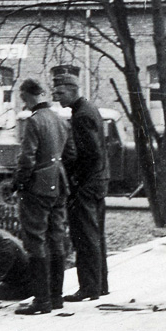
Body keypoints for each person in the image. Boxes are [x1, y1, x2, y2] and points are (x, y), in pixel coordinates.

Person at [12, 78, 73, 315]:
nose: (23, 103)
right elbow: (70, 153)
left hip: (37, 187)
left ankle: (42, 300)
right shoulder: (59, 119)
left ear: (29, 95)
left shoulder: (34, 122)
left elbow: (27, 159)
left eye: (24, 98)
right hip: (58, 184)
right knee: (56, 238)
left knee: (35, 240)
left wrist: (19, 183)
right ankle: (56, 297)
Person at [52, 73, 110, 301]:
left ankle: (88, 288)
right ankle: (99, 285)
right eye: (55, 93)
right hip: (99, 181)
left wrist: (75, 178)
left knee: (85, 236)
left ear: (73, 90)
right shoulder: (89, 109)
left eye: (61, 92)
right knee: (97, 235)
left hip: (88, 183)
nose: (57, 97)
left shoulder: (81, 115)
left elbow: (91, 153)